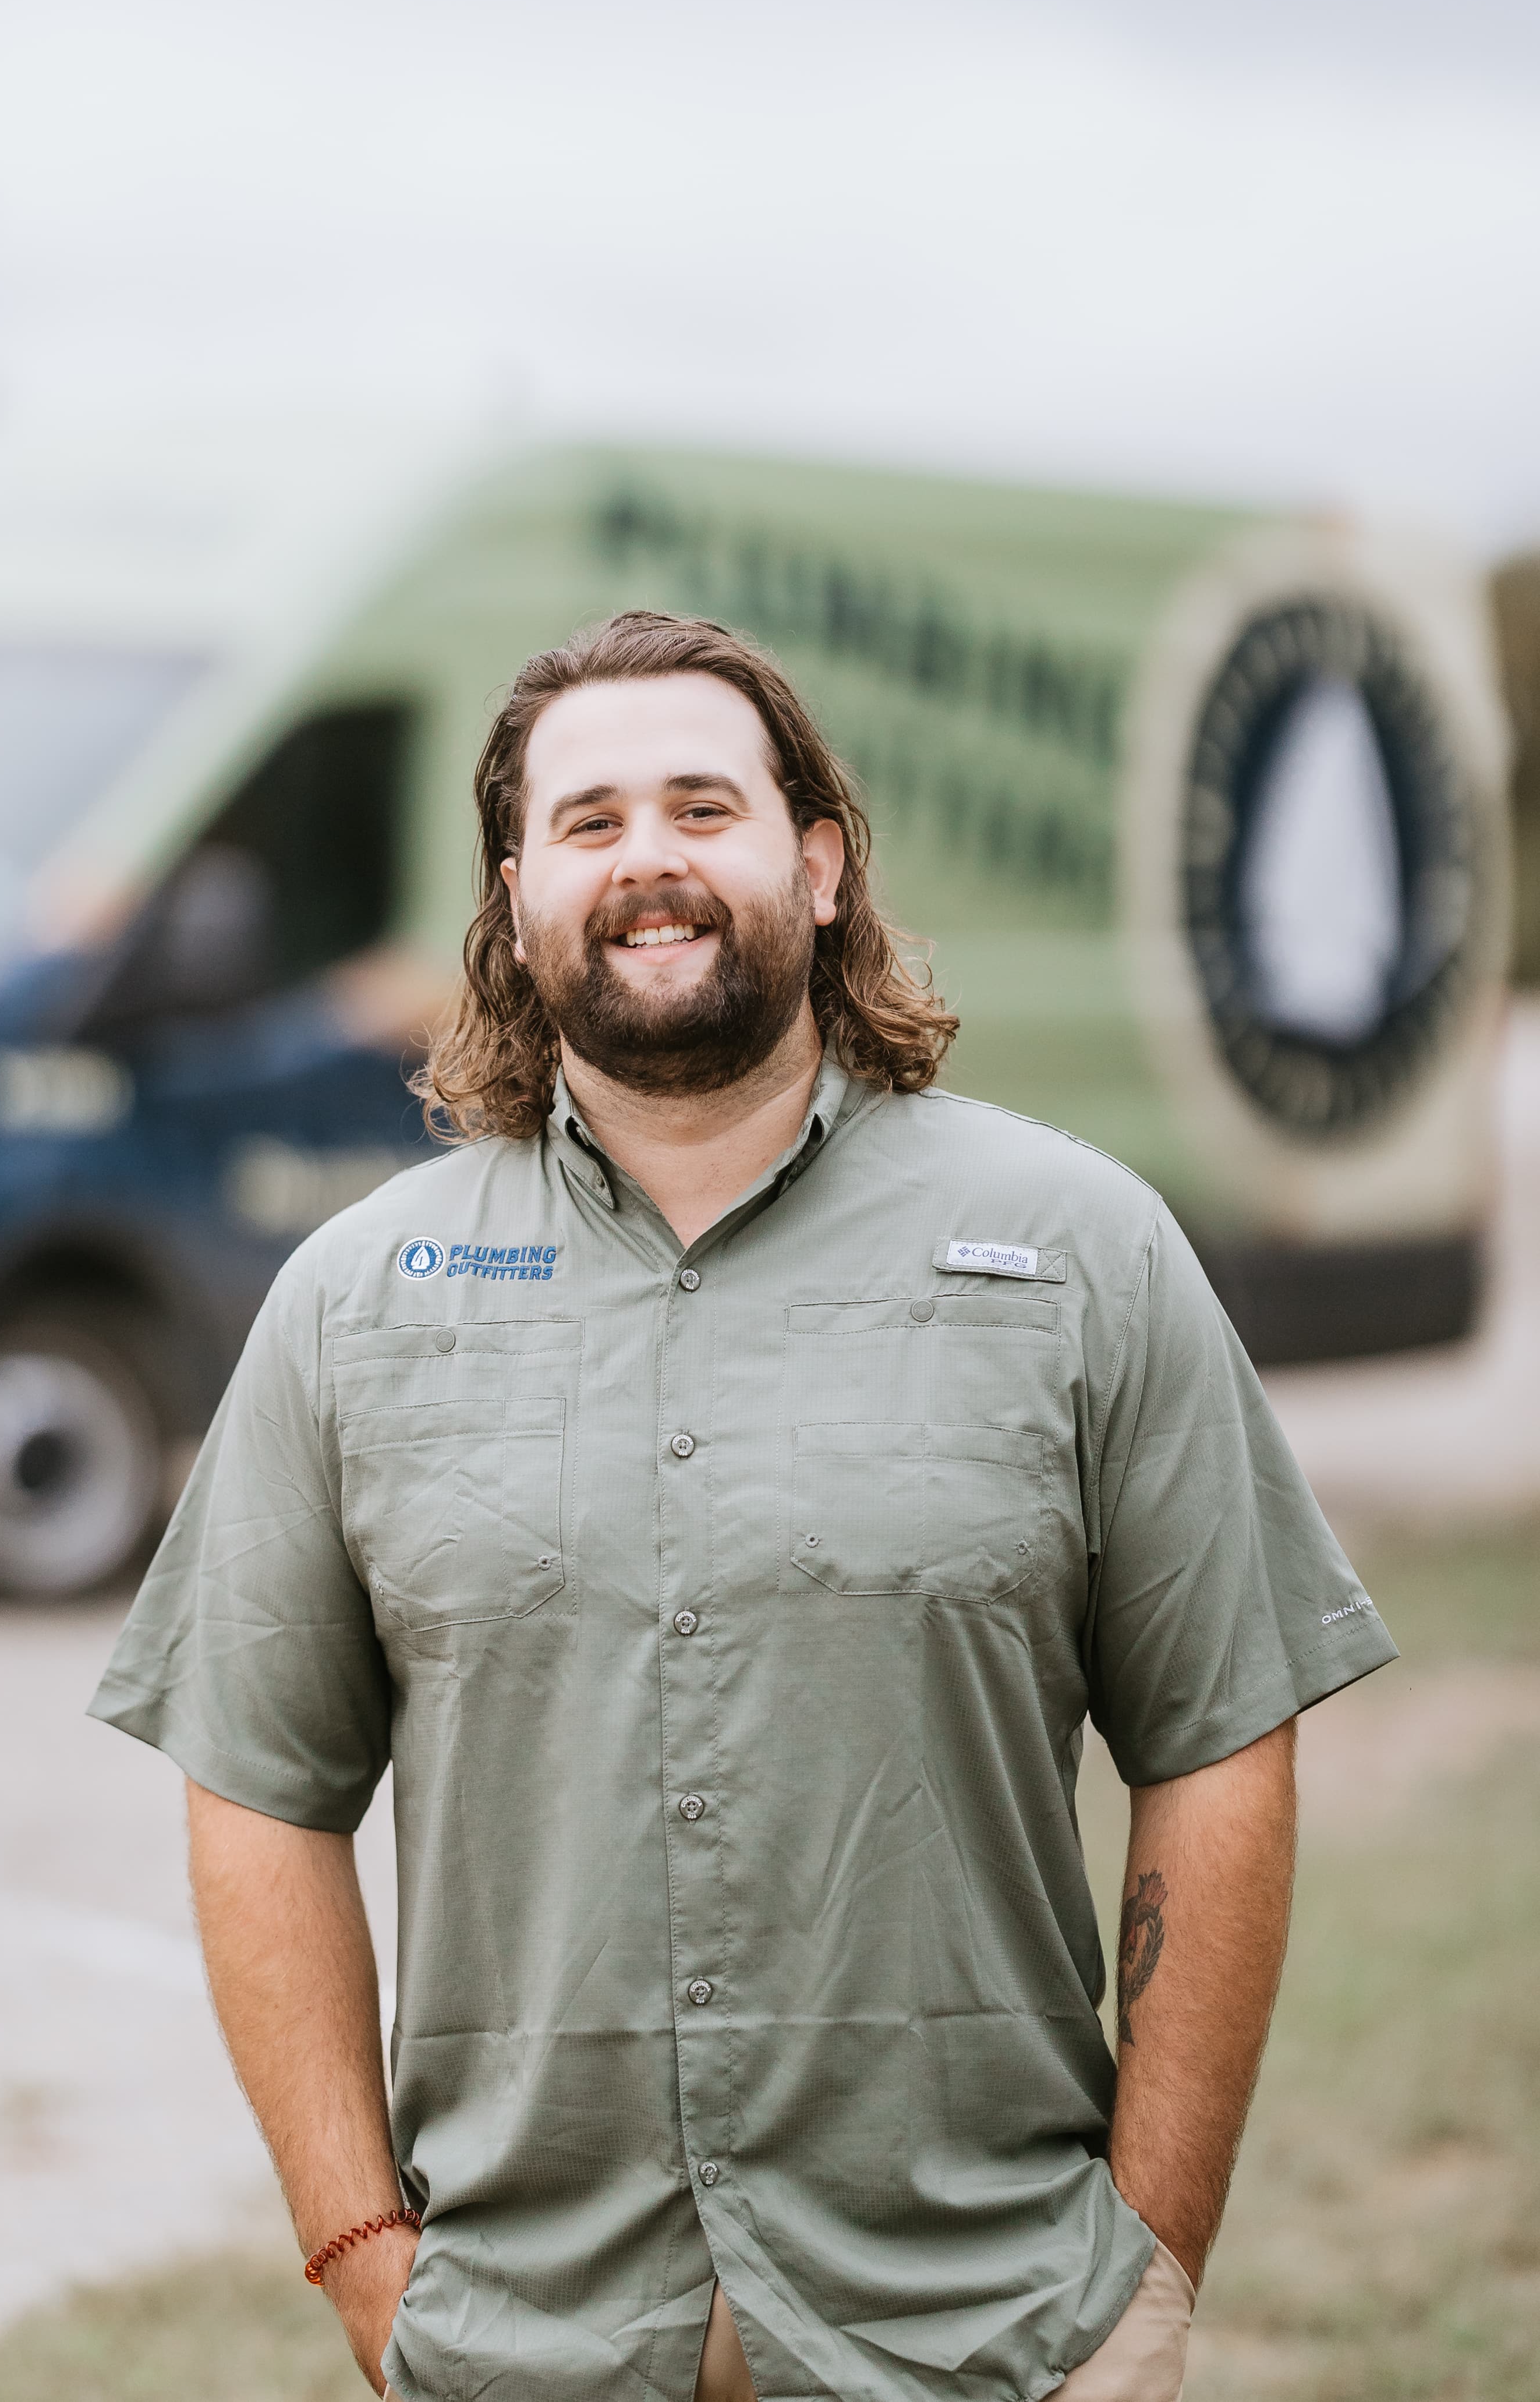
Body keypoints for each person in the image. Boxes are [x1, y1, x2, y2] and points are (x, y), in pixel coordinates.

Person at [90, 610, 1396, 2402]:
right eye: (591, 819)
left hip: (984, 2338)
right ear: (517, 887)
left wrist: (1150, 2266)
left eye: (704, 806)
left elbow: (1221, 1738)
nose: (650, 862)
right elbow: (254, 1787)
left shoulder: (1086, 1252)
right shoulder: (353, 1302)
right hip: (523, 2348)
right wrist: (365, 2271)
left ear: (821, 858)